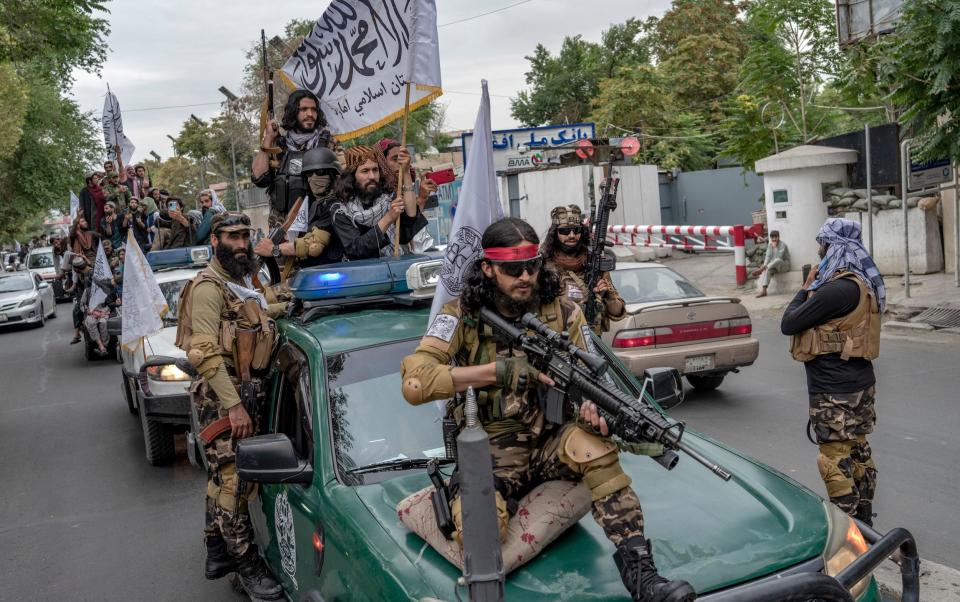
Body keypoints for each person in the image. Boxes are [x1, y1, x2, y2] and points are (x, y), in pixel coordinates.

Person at [400, 218, 696, 602]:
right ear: (488, 268)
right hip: (491, 452)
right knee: (478, 530)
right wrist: (496, 372)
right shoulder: (460, 316)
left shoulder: (563, 312)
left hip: (549, 441)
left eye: (532, 266)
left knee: (593, 443)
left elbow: (587, 379)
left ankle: (643, 576)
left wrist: (595, 411)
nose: (525, 276)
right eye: (512, 269)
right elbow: (414, 382)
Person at [175, 212, 286, 600]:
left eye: (245, 236)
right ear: (215, 241)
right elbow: (203, 353)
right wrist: (235, 406)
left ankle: (216, 551)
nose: (242, 244)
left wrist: (280, 307)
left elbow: (253, 316)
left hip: (240, 389)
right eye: (233, 237)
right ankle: (245, 562)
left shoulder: (238, 281)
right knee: (235, 480)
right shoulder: (207, 287)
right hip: (221, 395)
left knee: (221, 476)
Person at [780, 218, 883, 526]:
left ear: (832, 246)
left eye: (822, 245)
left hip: (833, 391)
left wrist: (804, 288)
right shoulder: (864, 283)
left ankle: (847, 527)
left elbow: (789, 323)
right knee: (858, 450)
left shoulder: (835, 290)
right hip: (861, 385)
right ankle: (866, 522)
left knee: (834, 459)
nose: (820, 251)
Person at [252, 89, 342, 227]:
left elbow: (345, 180)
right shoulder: (279, 145)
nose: (310, 114)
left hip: (319, 227)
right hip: (282, 228)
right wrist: (268, 137)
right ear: (294, 111)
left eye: (313, 109)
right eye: (304, 109)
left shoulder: (329, 143)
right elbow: (258, 178)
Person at [253, 146, 341, 274]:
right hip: (312, 271)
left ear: (333, 175)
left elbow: (313, 246)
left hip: (331, 273)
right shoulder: (312, 203)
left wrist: (274, 249)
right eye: (309, 174)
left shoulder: (336, 204)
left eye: (321, 172)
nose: (314, 178)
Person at [329, 145, 427, 259]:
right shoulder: (340, 209)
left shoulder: (387, 198)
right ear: (352, 176)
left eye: (375, 170)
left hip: (393, 267)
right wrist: (388, 218)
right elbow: (357, 249)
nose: (372, 176)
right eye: (365, 171)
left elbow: (410, 219)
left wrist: (405, 172)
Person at [542, 204, 625, 335]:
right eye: (564, 231)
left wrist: (607, 295)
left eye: (576, 230)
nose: (571, 235)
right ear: (554, 233)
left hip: (593, 342)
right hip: (559, 343)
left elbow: (617, 312)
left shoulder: (594, 265)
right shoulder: (544, 267)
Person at [378, 138, 438, 252]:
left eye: (402, 159)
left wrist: (421, 198)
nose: (400, 164)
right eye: (394, 159)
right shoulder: (376, 193)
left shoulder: (407, 183)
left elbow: (411, 221)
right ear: (381, 162)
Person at [753, 230, 791, 298]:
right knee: (768, 270)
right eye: (772, 238)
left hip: (784, 266)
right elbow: (768, 257)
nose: (774, 239)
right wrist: (765, 265)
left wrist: (775, 247)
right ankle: (764, 291)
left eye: (775, 237)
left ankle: (761, 269)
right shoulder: (770, 245)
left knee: (777, 260)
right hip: (774, 266)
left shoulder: (783, 245)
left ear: (778, 237)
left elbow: (779, 257)